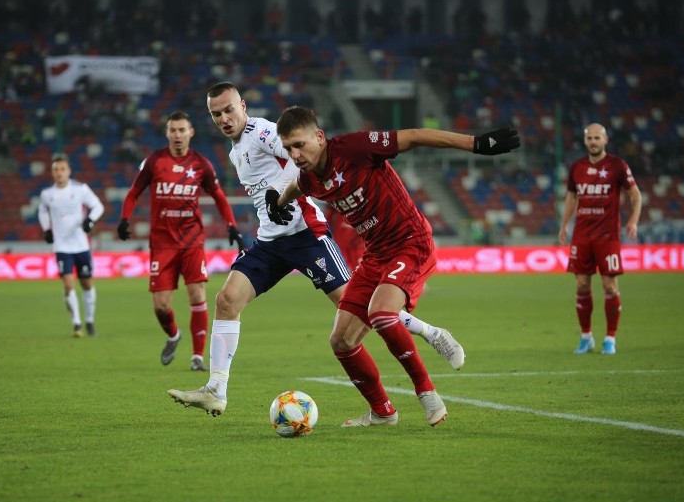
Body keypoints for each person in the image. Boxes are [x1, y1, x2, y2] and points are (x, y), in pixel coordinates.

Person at [167, 83, 465, 425]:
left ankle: (430, 333)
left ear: (242, 106)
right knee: (227, 300)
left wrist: (280, 192)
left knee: (358, 310)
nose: (224, 118)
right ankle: (216, 390)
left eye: (228, 110)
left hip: (308, 236)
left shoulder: (262, 131)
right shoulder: (236, 151)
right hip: (270, 242)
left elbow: (302, 160)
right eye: (216, 114)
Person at [267, 106, 520, 427]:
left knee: (382, 314)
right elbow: (297, 188)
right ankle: (383, 413)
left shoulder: (354, 147)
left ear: (319, 136)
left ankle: (427, 392)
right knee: (341, 341)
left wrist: (477, 144)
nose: (295, 154)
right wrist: (278, 203)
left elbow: (415, 136)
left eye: (299, 145)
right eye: (288, 148)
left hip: (410, 242)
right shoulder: (309, 177)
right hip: (375, 256)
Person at [117, 111, 245, 371]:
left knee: (197, 294)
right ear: (167, 133)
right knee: (161, 306)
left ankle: (197, 357)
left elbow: (219, 196)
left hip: (192, 241)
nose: (177, 135)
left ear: (190, 132)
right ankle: (174, 335)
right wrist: (124, 219)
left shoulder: (201, 164)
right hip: (162, 243)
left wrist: (232, 225)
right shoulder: (154, 161)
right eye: (173, 130)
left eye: (181, 130)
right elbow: (133, 193)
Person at [558, 123, 642, 355]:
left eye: (597, 138)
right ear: (585, 141)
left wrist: (633, 220)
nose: (593, 142)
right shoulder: (577, 167)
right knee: (582, 284)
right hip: (582, 236)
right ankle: (586, 337)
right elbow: (571, 197)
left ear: (605, 140)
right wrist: (564, 225)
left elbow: (635, 195)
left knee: (609, 285)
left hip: (608, 236)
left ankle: (610, 339)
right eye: (589, 138)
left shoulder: (617, 165)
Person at [38, 153, 105, 337]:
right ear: (52, 173)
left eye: (62, 169)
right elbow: (42, 212)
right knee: (68, 285)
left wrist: (89, 220)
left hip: (81, 245)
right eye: (56, 170)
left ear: (69, 171)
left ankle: (89, 320)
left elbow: (98, 206)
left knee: (87, 284)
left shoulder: (81, 189)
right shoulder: (47, 195)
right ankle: (77, 323)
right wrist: (46, 230)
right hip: (61, 247)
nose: (59, 173)